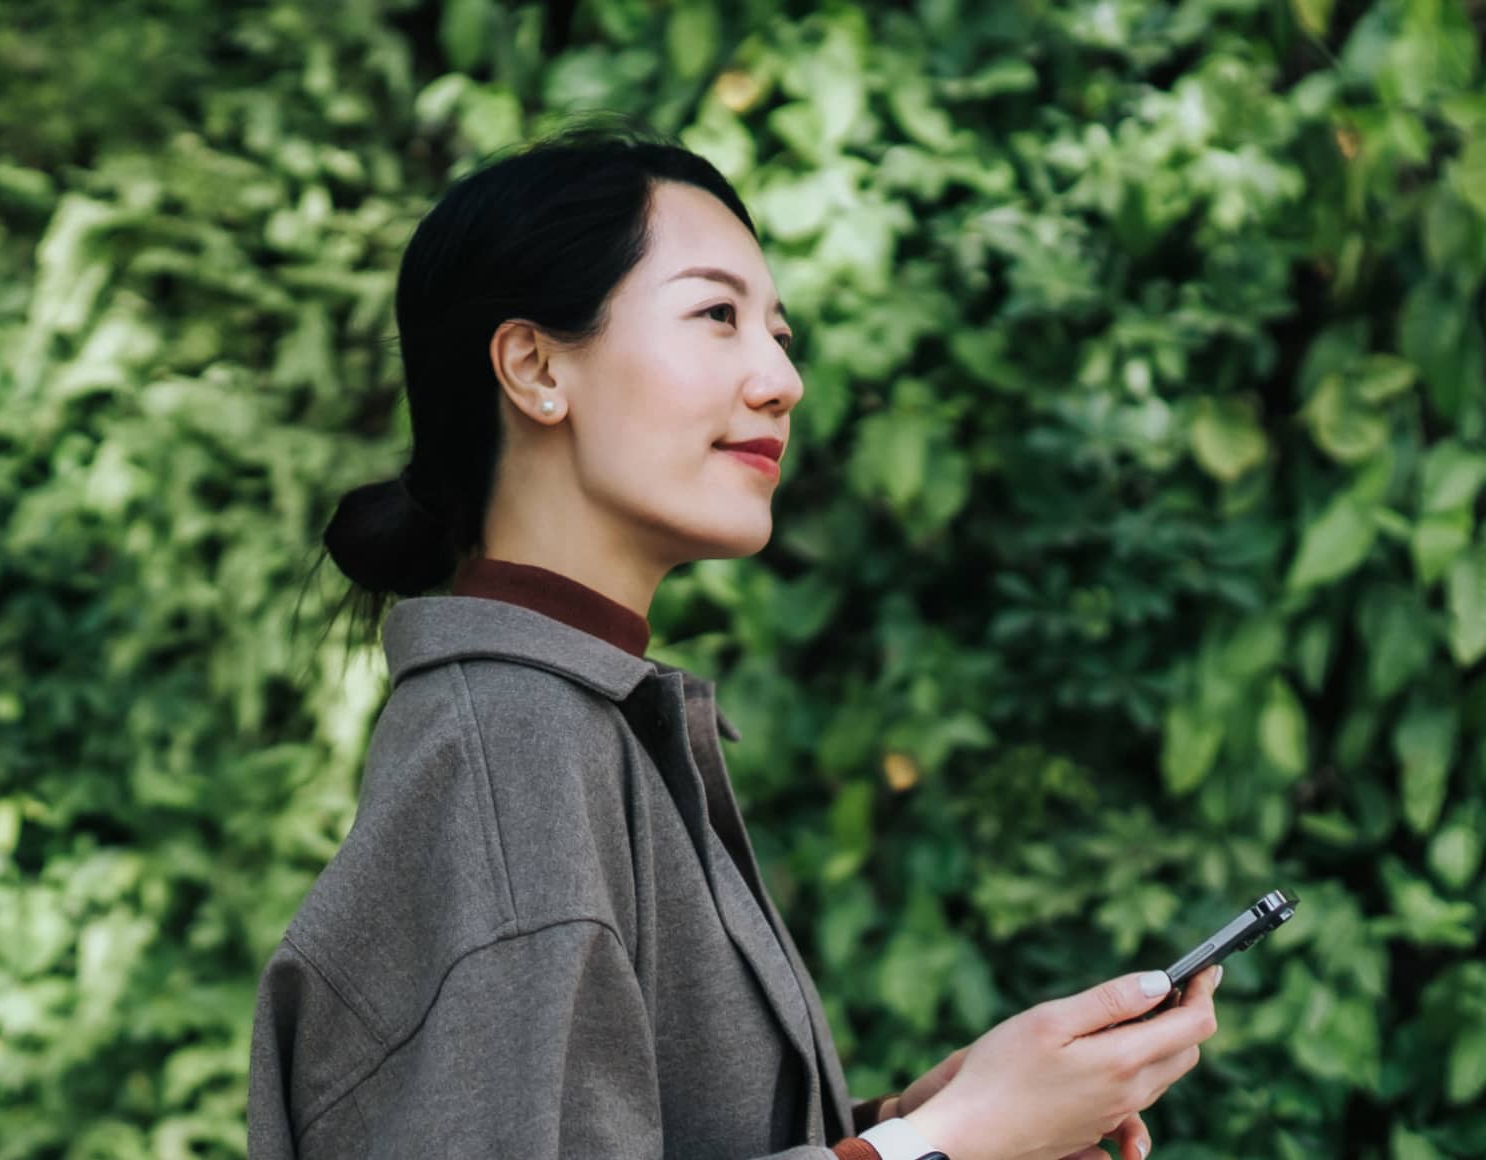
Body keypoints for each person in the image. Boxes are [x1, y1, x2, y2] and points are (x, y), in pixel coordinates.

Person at [245, 124, 1223, 1160]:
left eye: (778, 333)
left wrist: (910, 1122)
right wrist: (950, 1140)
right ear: (533, 366)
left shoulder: (580, 723)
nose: (780, 380)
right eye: (717, 315)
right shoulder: (513, 751)